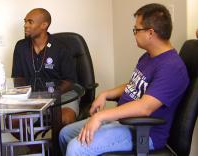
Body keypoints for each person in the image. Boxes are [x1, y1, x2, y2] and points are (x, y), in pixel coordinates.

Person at [59, 3, 189, 155]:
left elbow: (145, 108)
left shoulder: (172, 67)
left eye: (136, 30)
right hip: (123, 121)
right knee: (65, 134)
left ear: (150, 33)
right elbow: (134, 85)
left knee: (76, 148)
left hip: (143, 132)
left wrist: (100, 117)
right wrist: (105, 94)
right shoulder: (149, 56)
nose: (134, 33)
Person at [12, 8, 78, 125]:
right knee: (14, 121)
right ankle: (33, 144)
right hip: (32, 96)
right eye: (25, 21)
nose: (25, 25)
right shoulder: (20, 47)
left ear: (44, 25)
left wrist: (50, 96)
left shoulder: (61, 47)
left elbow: (69, 81)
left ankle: (56, 144)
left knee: (65, 118)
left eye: (30, 22)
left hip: (62, 95)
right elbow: (17, 79)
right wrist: (29, 97)